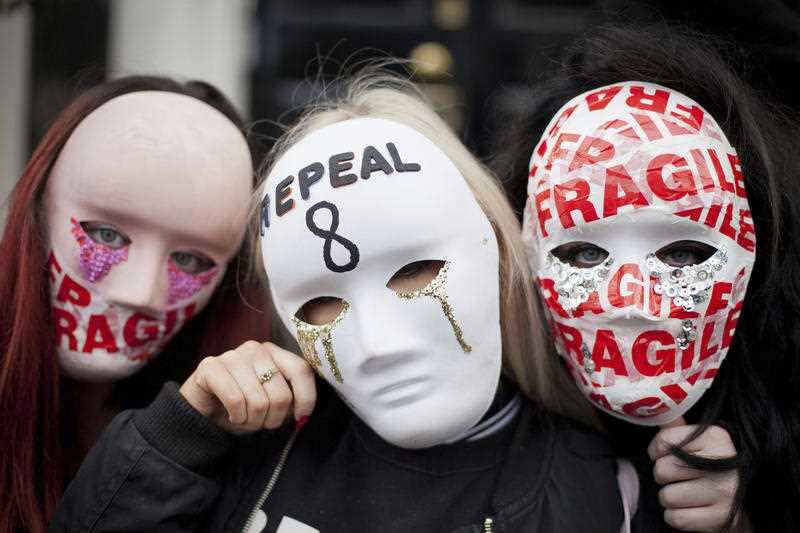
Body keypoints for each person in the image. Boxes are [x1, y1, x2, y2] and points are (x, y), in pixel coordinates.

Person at [51, 71, 634, 532]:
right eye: (320, 307)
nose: (376, 347)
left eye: (416, 272)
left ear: (498, 251)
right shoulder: (250, 450)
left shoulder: (611, 493)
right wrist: (177, 437)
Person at [492, 24, 800, 532]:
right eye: (585, 252)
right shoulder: (495, 411)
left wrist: (759, 513)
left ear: (759, 242)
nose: (629, 300)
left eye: (682, 253)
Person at [0, 76, 270, 533]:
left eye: (189, 260)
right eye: (106, 235)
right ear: (38, 212)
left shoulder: (243, 439)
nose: (141, 293)